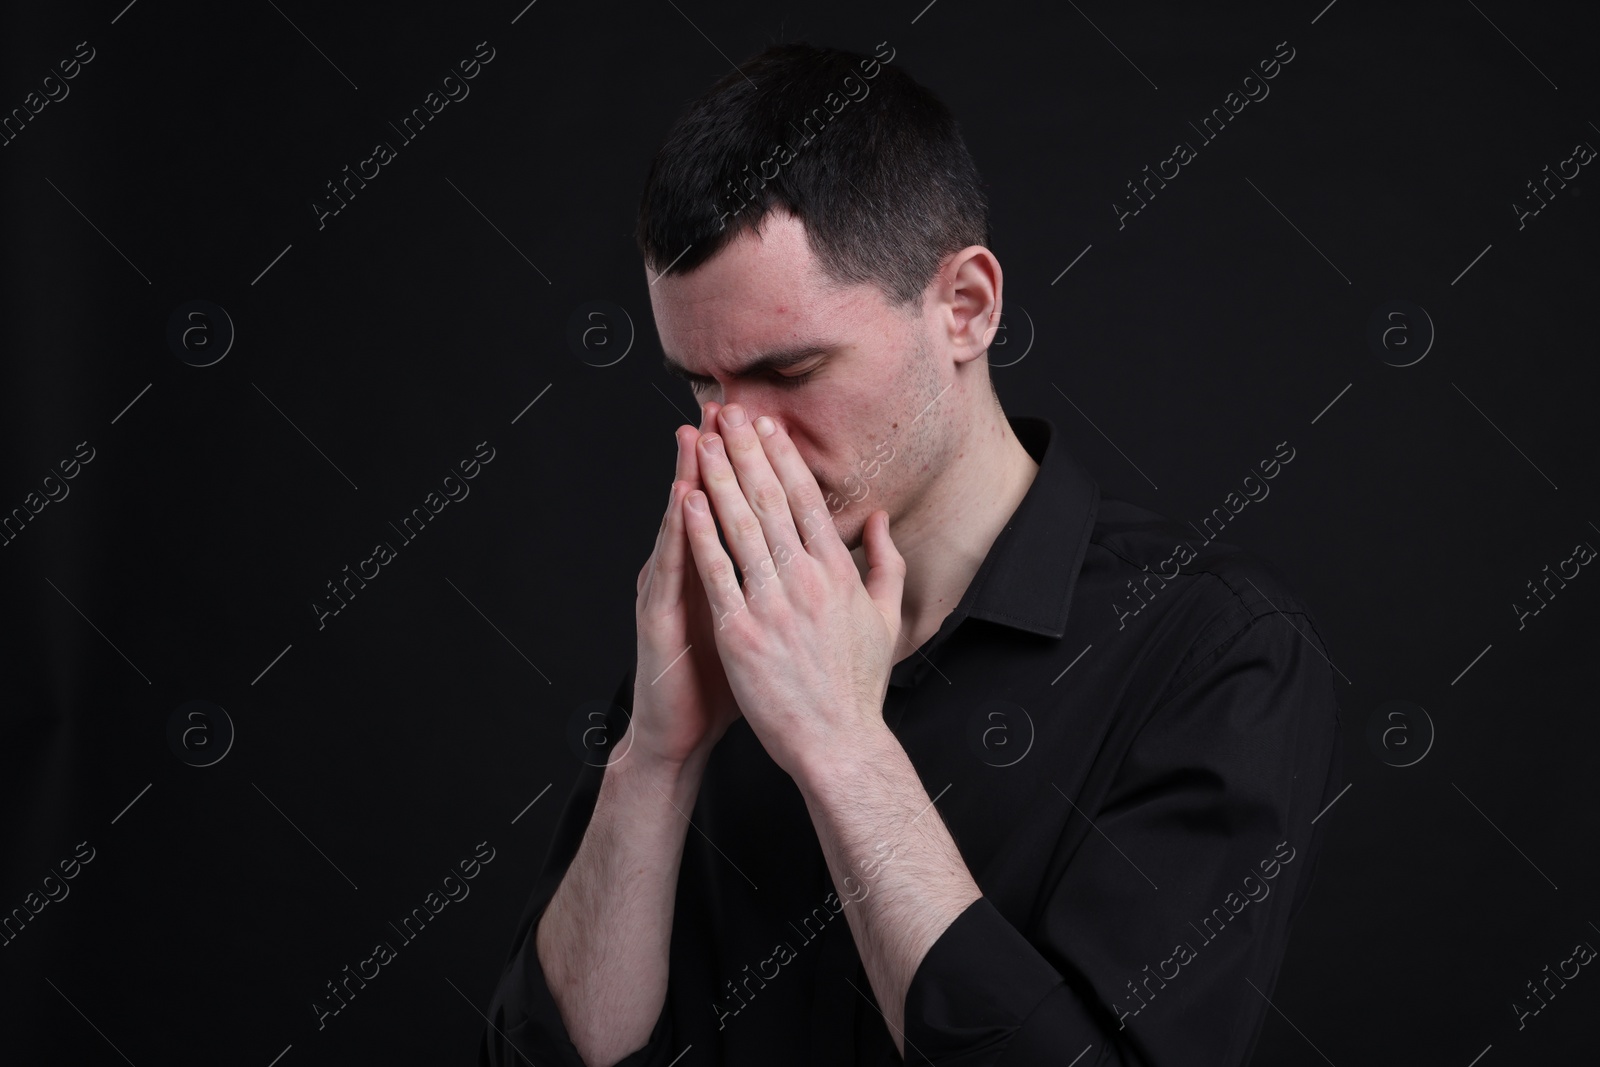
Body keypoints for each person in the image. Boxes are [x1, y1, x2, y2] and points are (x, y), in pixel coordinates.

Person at [479, 40, 1341, 1067]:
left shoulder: (1215, 653)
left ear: (967, 306)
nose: (737, 441)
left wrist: (843, 749)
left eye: (788, 368)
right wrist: (653, 760)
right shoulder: (725, 605)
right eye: (701, 386)